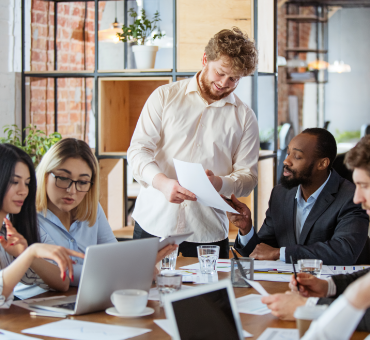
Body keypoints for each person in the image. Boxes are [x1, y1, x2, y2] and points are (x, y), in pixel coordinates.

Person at [127, 27, 259, 259]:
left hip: (206, 232)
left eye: (234, 79)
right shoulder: (164, 96)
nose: (224, 83)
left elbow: (248, 178)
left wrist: (219, 183)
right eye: (220, 73)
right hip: (153, 223)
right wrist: (163, 183)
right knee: (145, 293)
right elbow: (138, 151)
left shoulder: (245, 116)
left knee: (205, 296)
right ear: (205, 59)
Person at [261, 135, 370, 336]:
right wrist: (328, 286)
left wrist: (309, 306)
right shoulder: (282, 193)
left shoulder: (345, 196)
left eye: (364, 185)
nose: (357, 197)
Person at [36, 138, 176, 285]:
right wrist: (131, 267)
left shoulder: (91, 207)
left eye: (83, 182)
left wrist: (138, 264)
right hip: (35, 301)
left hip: (85, 296)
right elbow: (61, 274)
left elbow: (113, 254)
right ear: (45, 176)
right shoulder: (29, 216)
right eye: (63, 178)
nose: (72, 190)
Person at [227, 128, 369, 264]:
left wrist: (280, 253)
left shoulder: (352, 197)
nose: (286, 161)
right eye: (288, 153)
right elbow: (262, 251)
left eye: (297, 156)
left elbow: (344, 252)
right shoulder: (280, 194)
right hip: (290, 284)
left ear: (322, 163)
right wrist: (246, 229)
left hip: (339, 286)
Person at [0, 143, 84, 304]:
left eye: (27, 183)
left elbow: (62, 282)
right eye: (14, 181)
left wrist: (26, 254)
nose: (23, 191)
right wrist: (30, 253)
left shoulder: (9, 232)